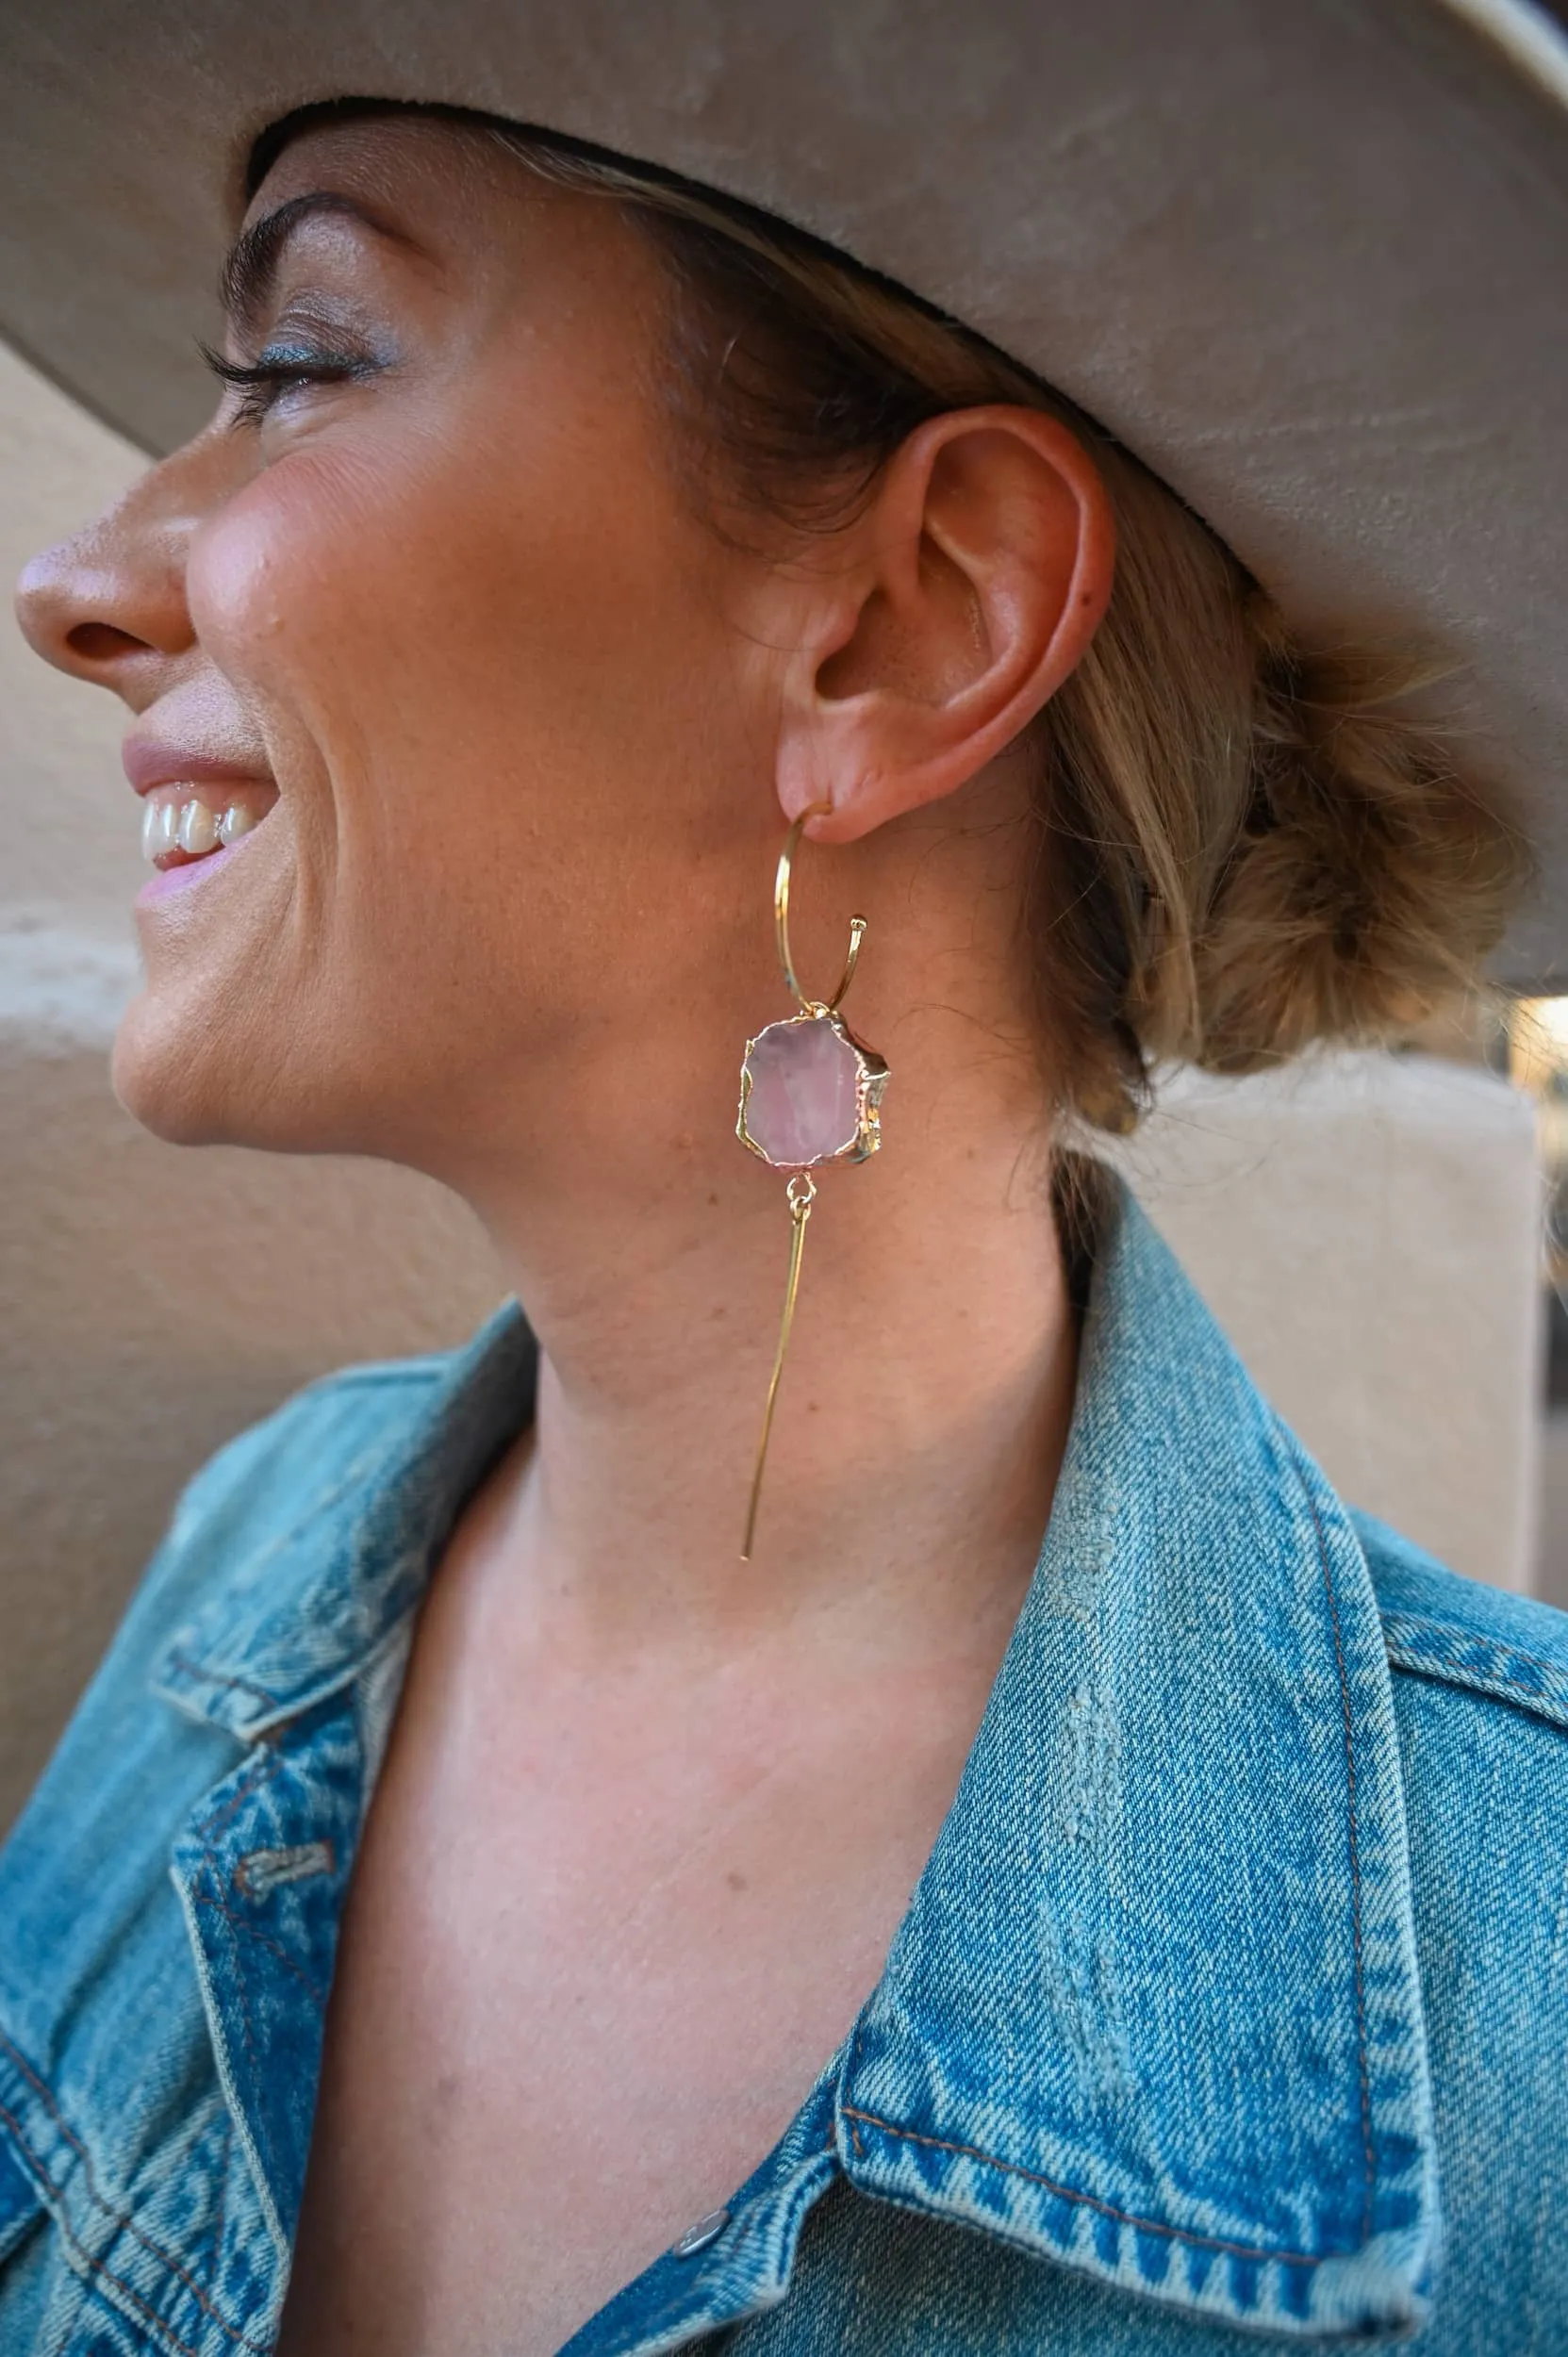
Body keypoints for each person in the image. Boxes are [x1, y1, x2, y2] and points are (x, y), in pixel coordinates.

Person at [0, 8, 1565, 2354]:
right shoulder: (248, 1574)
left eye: (307, 360)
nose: (82, 577)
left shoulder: (1516, 1975)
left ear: (901, 621)